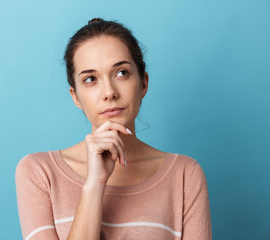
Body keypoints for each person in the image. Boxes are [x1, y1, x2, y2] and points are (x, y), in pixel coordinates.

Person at [15, 18, 212, 240]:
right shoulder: (39, 173)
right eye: (90, 79)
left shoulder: (185, 175)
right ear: (76, 96)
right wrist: (94, 184)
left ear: (143, 83)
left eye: (121, 73)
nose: (109, 92)